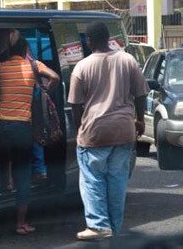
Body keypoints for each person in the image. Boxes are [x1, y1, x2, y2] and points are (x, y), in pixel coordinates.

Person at [68, 22, 148, 240]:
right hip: (123, 130)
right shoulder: (128, 60)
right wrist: (139, 120)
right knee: (117, 180)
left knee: (92, 179)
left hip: (94, 131)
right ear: (109, 38)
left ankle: (98, 225)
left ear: (89, 40)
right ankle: (114, 227)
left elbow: (75, 104)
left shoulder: (82, 67)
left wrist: (79, 129)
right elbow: (141, 94)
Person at [0, 37, 60, 235]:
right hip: (21, 126)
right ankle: (21, 224)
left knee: (4, 159)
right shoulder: (33, 65)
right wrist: (45, 89)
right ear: (25, 50)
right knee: (23, 174)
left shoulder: (0, 66)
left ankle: (5, 183)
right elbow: (55, 76)